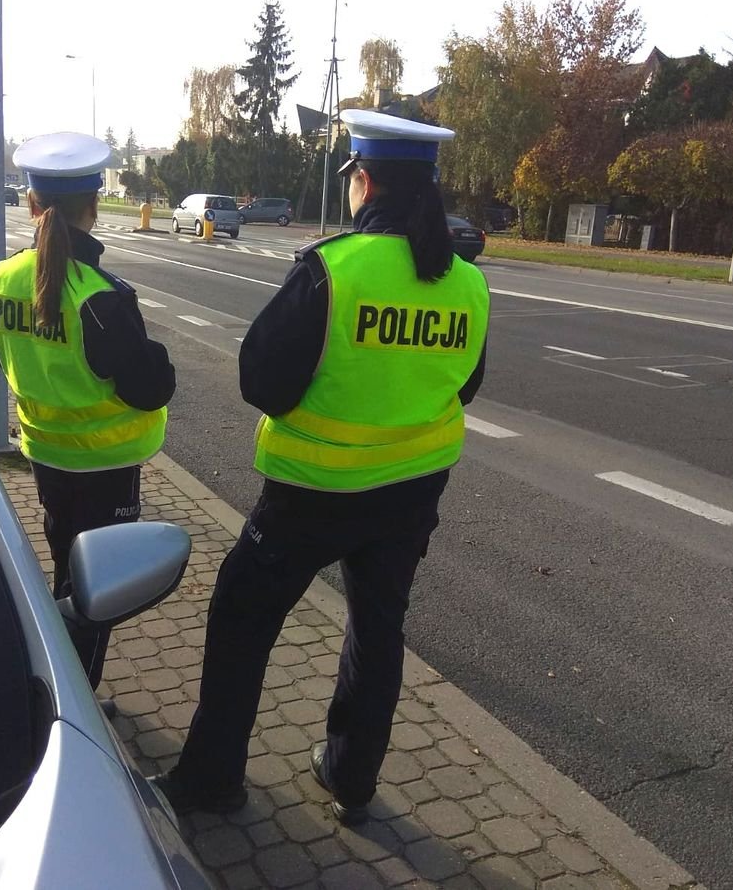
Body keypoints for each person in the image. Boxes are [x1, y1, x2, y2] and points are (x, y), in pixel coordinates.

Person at [153, 110, 490, 825]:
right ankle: (351, 775)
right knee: (378, 628)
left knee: (241, 616)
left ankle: (212, 778)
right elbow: (464, 385)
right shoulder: (466, 284)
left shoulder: (333, 270)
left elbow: (262, 381)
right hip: (410, 495)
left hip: (313, 493)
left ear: (363, 182)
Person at [0, 132, 175, 709]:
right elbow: (150, 388)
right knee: (96, 592)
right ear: (93, 206)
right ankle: (74, 702)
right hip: (106, 464)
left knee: (66, 570)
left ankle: (55, 682)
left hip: (46, 456)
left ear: (33, 204)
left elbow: (8, 359)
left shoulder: (0, 279)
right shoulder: (101, 297)